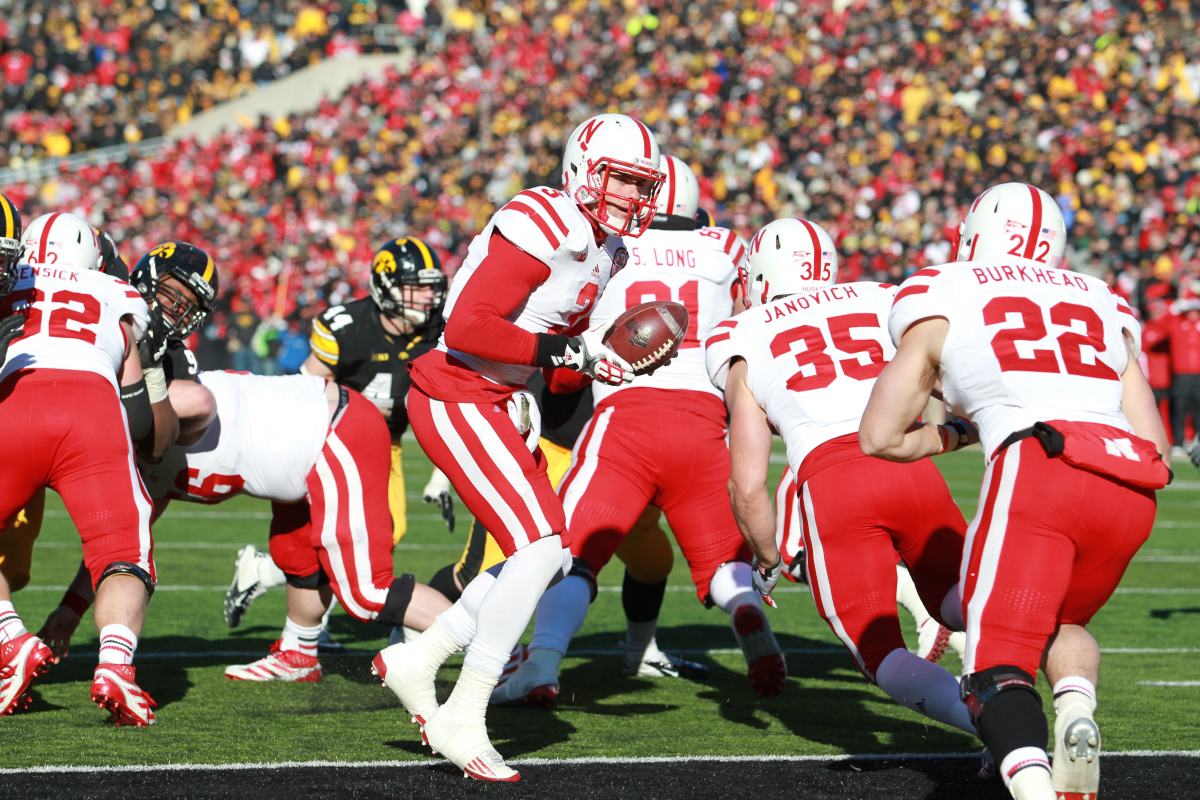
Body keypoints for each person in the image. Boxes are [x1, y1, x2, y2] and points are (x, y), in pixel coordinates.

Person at [371, 112, 664, 781]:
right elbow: (471, 325)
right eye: (621, 179)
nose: (631, 196)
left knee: (549, 555)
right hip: (454, 388)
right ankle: (464, 710)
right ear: (585, 171)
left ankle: (420, 659)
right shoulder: (545, 218)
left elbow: (558, 370)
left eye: (641, 184)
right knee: (539, 548)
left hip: (498, 398)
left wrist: (602, 361)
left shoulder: (608, 251)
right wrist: (570, 350)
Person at [859, 183, 1170, 800]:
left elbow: (880, 436)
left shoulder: (943, 288)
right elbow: (1154, 443)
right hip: (1129, 484)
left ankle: (1035, 791)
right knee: (1059, 622)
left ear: (974, 235)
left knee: (994, 666)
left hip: (1039, 463)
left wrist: (959, 432)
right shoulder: (1102, 299)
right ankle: (1076, 705)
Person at [494, 155, 783, 706]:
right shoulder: (724, 248)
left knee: (572, 553)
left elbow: (562, 350)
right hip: (703, 418)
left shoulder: (604, 247)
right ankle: (746, 612)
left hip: (625, 417)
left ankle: (544, 663)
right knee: (725, 557)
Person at [710, 216, 978, 743]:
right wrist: (962, 432)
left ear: (759, 277)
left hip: (835, 482)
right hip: (910, 467)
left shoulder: (741, 334)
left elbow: (746, 484)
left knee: (878, 652)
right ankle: (1056, 678)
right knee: (967, 602)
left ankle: (990, 724)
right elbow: (947, 377)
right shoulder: (881, 298)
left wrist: (766, 559)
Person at [223, 238, 454, 642]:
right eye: (416, 286)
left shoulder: (440, 329)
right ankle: (306, 627)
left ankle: (265, 575)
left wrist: (443, 470)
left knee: (389, 530)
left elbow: (452, 399)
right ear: (385, 287)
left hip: (387, 444)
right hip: (331, 443)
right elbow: (306, 386)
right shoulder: (347, 326)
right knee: (343, 537)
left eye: (431, 286)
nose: (428, 297)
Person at [0, 212, 172, 725]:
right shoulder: (115, 292)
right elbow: (141, 415)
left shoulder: (10, 282)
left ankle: (10, 638)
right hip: (91, 411)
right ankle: (116, 663)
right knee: (123, 552)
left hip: (13, 402)